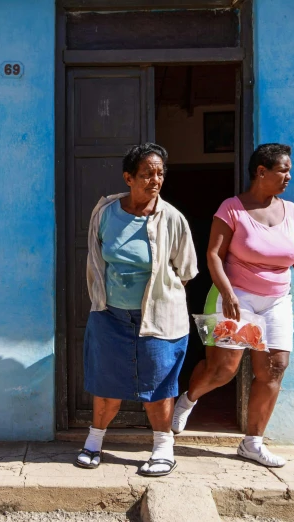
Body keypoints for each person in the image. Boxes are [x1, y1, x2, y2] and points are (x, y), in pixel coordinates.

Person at [171, 143, 294, 467]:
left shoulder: (292, 213)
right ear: (261, 171)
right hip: (236, 297)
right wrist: (229, 293)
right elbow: (214, 255)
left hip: (277, 301)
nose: (289, 176)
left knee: (274, 367)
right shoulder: (232, 209)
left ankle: (252, 442)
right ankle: (188, 399)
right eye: (283, 170)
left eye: (289, 170)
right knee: (224, 370)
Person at [76, 143, 198, 477]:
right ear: (129, 177)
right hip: (110, 313)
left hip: (158, 318)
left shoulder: (172, 219)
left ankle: (163, 448)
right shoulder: (105, 213)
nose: (155, 179)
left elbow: (185, 272)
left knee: (158, 383)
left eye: (160, 173)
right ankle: (94, 441)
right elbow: (97, 259)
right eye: (147, 174)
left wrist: (159, 301)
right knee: (105, 382)